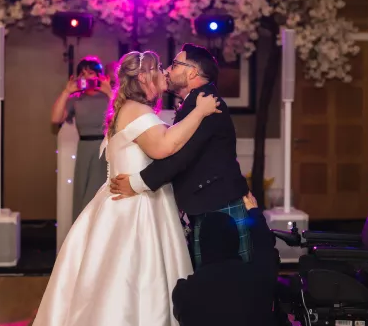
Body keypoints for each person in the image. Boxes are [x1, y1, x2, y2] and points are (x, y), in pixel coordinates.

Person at [31, 50, 221, 326]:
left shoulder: (130, 109)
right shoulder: (136, 110)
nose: (164, 72)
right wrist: (201, 112)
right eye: (158, 69)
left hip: (131, 199)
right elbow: (165, 146)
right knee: (132, 278)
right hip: (135, 207)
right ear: (143, 77)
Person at [109, 43, 259, 268]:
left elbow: (178, 158)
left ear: (192, 72)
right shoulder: (196, 103)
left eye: (175, 64)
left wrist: (137, 183)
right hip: (208, 205)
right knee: (212, 281)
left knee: (228, 280)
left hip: (218, 206)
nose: (167, 70)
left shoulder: (207, 103)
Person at [172, 211, 279, 326]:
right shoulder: (260, 279)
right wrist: (254, 213)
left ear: (202, 243)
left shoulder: (184, 292)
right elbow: (266, 250)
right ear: (235, 239)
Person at [51, 56, 112, 221]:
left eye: (91, 73)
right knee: (83, 194)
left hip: (105, 149)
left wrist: (109, 92)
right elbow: (56, 119)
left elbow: (123, 115)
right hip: (84, 148)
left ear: (100, 75)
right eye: (82, 74)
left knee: (101, 194)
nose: (86, 77)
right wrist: (66, 92)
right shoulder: (76, 99)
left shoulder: (109, 96)